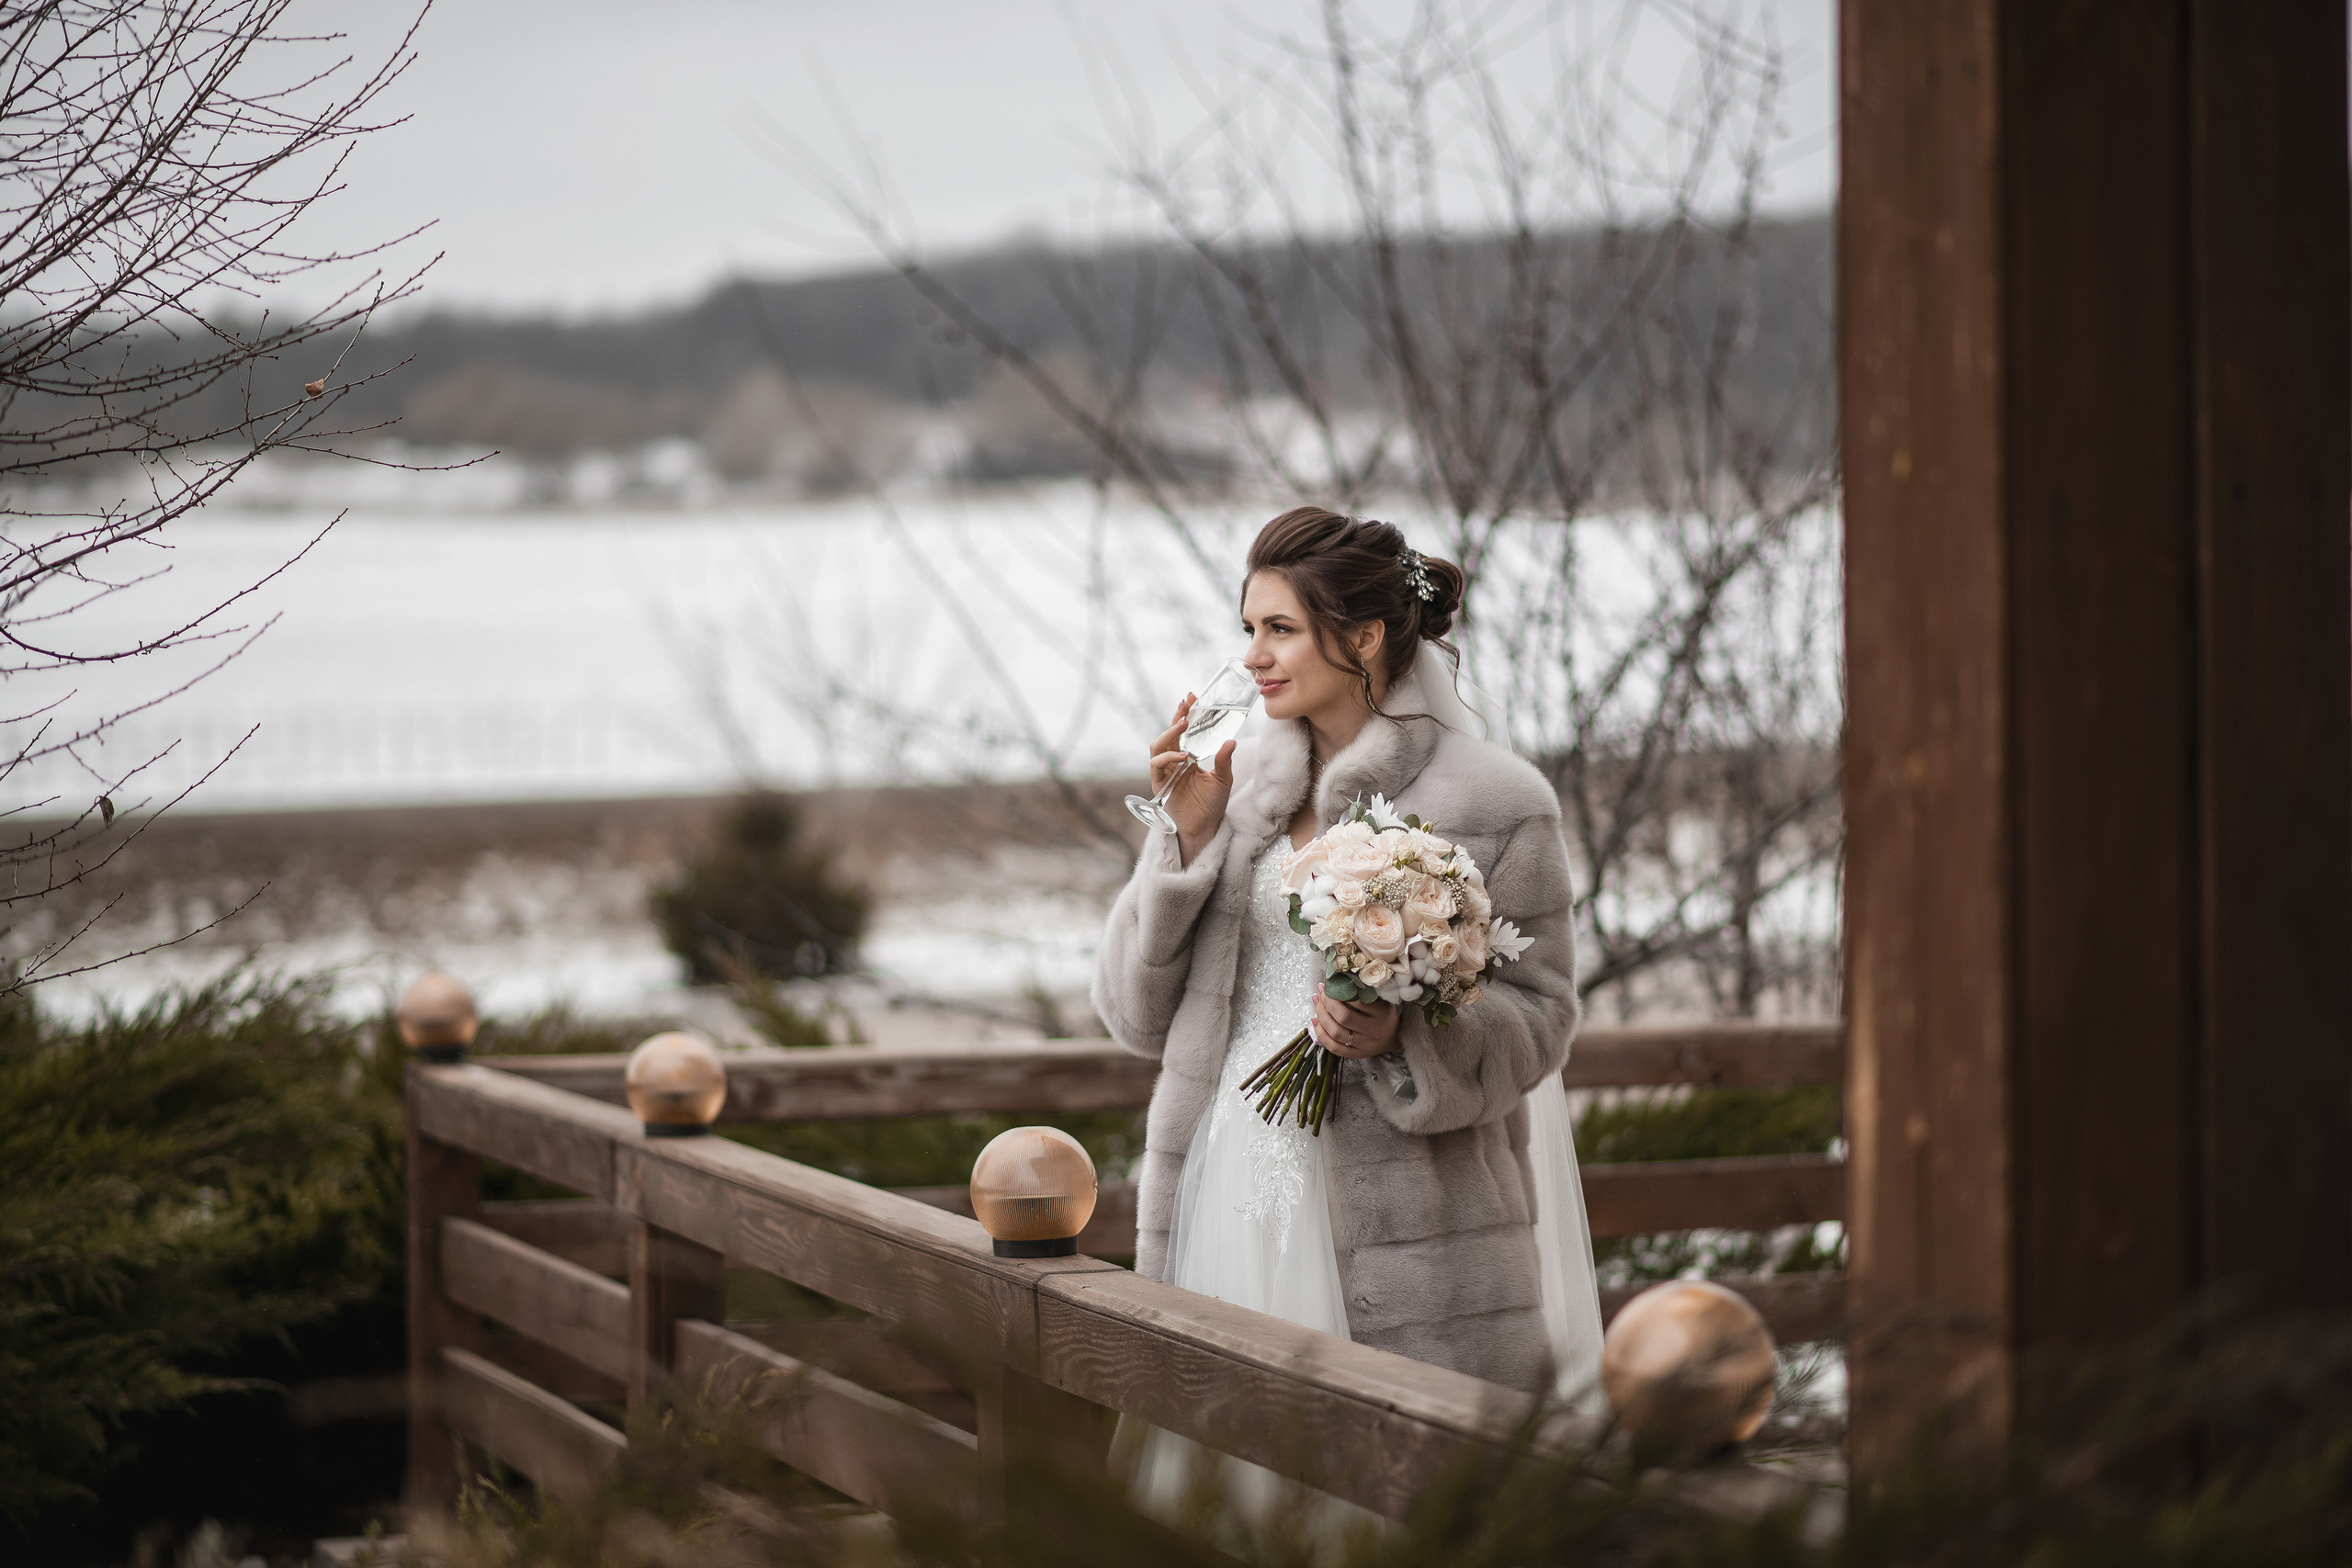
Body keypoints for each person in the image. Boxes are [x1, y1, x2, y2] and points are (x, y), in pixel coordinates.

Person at [1092, 506, 1604, 1506]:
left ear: (1363, 636)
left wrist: (1405, 1034)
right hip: (1221, 1189)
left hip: (1411, 1225)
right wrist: (1181, 840)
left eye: (1280, 629)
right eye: (1249, 628)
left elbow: (1540, 1019)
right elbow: (1133, 1014)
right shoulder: (1235, 788)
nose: (1254, 656)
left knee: (1395, 1500)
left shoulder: (1499, 801)